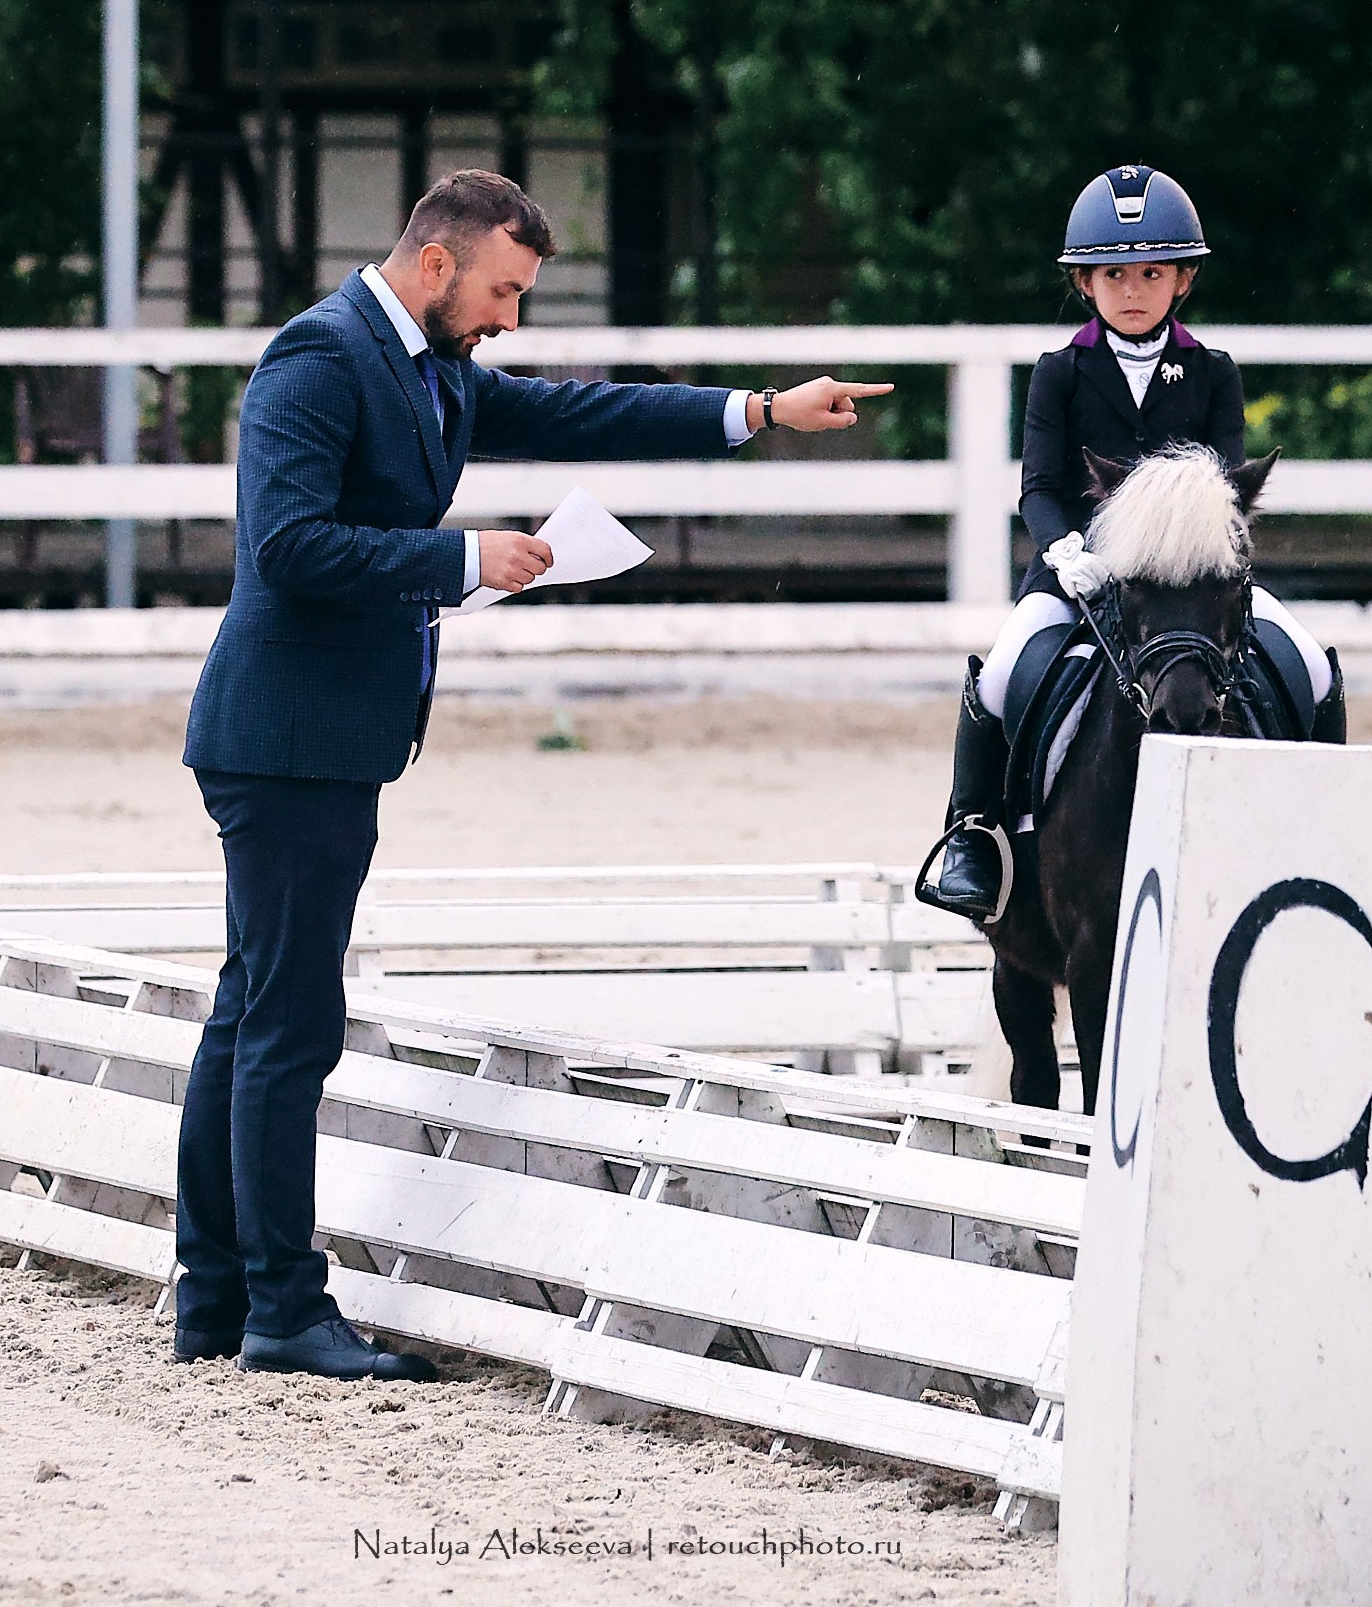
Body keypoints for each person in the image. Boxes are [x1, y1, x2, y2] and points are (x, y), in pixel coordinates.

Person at [173, 170, 891, 1381]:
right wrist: (461, 560)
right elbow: (286, 546)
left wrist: (759, 410)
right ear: (439, 263)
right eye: (504, 289)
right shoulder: (318, 356)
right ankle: (283, 1310)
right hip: (285, 733)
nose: (511, 316)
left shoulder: (433, 366)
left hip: (321, 735)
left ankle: (216, 1297)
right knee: (287, 1024)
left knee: (251, 1010)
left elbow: (579, 416)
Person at [914, 165, 1336, 924]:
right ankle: (972, 838)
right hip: (1081, 572)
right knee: (1001, 674)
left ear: (1182, 281)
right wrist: (1065, 552)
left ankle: (1327, 827)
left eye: (1152, 272)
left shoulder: (1212, 373)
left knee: (1308, 663)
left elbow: (1223, 487)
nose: (1132, 288)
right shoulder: (1060, 375)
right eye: (1114, 273)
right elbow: (1038, 487)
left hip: (1189, 581)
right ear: (1085, 284)